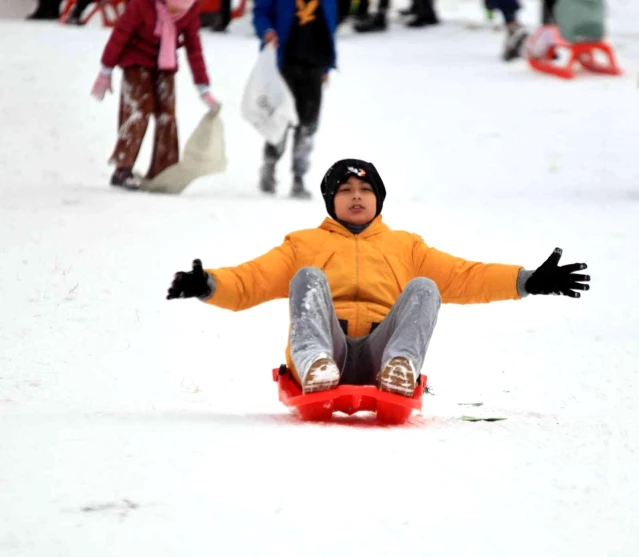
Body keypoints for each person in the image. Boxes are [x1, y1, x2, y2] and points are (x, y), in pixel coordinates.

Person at [166, 158, 591, 397]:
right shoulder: (303, 243)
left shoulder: (406, 246)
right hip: (326, 349)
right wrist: (208, 285)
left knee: (426, 286)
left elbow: (464, 277)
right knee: (308, 277)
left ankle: (401, 367)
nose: (356, 197)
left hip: (379, 351)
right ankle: (314, 363)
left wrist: (527, 280)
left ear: (378, 200)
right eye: (346, 190)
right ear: (332, 200)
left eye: (365, 191)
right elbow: (250, 281)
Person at [90, 0, 219, 190]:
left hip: (165, 63)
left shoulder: (189, 11)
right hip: (136, 60)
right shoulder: (142, 5)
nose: (177, 12)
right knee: (138, 111)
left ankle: (164, 171)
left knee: (167, 114)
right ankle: (122, 169)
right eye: (173, 8)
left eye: (181, 9)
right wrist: (106, 69)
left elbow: (194, 47)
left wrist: (203, 87)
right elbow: (121, 34)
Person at [253, 0, 338, 199]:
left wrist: (326, 67)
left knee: (308, 125)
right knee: (279, 121)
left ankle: (299, 177)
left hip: (314, 64)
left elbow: (329, 24)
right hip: (283, 63)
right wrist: (266, 31)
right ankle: (270, 166)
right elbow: (260, 13)